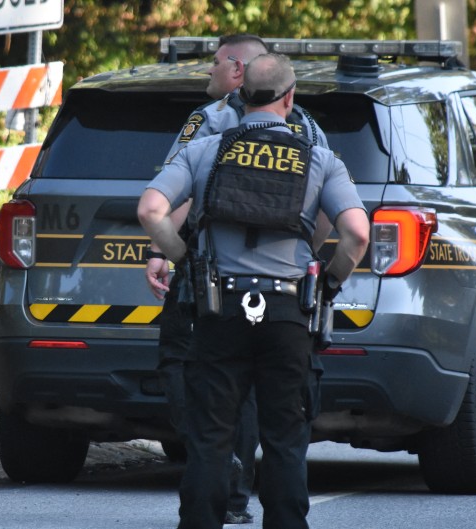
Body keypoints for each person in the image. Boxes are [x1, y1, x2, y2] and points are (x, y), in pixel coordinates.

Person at [138, 53, 369, 529]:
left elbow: (150, 210)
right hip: (286, 313)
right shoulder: (320, 159)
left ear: (240, 96)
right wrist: (328, 279)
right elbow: (358, 235)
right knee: (285, 440)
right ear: (290, 98)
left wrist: (185, 261)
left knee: (210, 439)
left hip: (219, 310)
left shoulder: (206, 150)